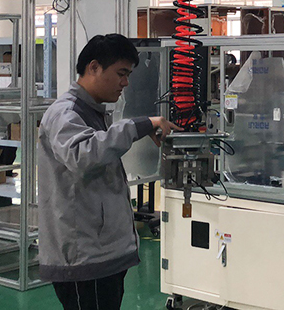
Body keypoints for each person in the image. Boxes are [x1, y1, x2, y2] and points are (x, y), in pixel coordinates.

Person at [38, 34, 179, 310]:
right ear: (94, 67)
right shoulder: (66, 113)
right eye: (121, 73)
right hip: (84, 259)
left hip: (103, 254)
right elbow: (83, 154)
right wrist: (138, 126)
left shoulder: (93, 112)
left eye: (128, 75)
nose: (125, 83)